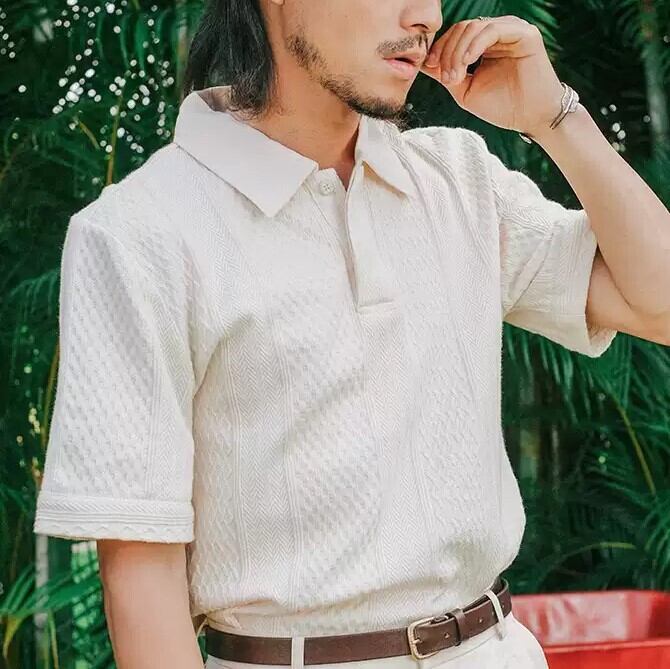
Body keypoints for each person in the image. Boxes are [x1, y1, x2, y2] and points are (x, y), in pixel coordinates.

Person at [33, 1, 670, 668]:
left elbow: (656, 305)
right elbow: (142, 575)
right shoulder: (140, 233)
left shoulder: (457, 178)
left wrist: (554, 118)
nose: (423, 15)